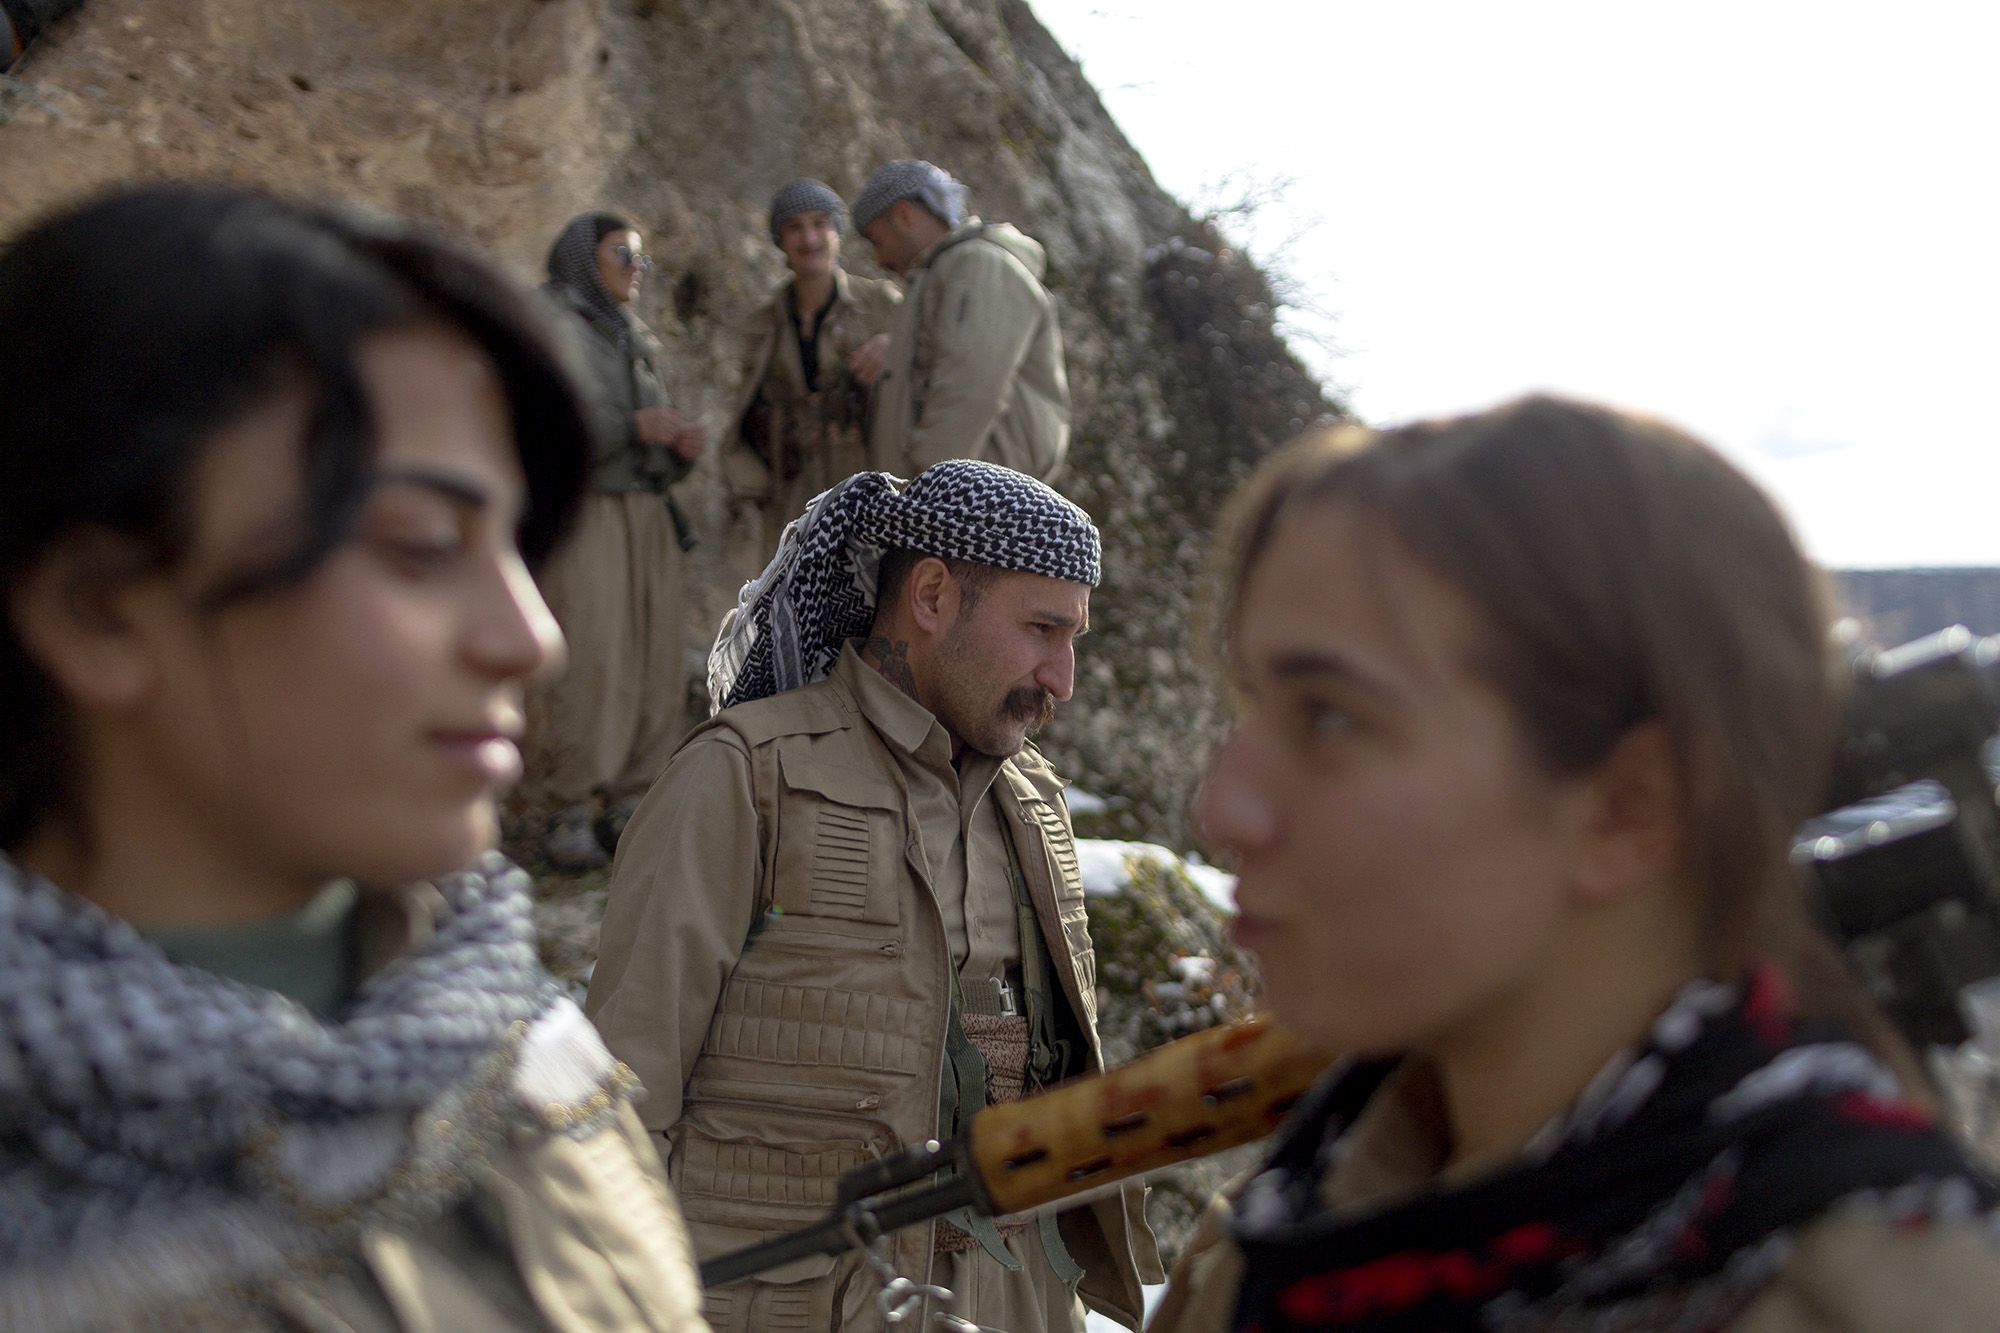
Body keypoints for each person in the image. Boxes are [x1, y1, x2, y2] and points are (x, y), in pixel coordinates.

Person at [0, 184, 708, 1331]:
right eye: (420, 545)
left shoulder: (512, 1038)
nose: (531, 637)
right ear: (98, 609)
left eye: (515, 545)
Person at [1147, 395, 2000, 1332]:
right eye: (1252, 705)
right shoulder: (1307, 1218)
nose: (1222, 806)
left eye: (1330, 717)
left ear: (1630, 805)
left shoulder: (1866, 1298)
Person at [587, 461, 1161, 1332]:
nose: (1062, 677)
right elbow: (624, 1089)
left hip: (1017, 1300)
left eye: (1073, 636)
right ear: (931, 595)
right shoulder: (747, 775)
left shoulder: (1034, 806)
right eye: (1042, 629)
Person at [524, 210, 706, 871]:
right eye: (624, 255)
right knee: (592, 657)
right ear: (584, 257)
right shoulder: (550, 324)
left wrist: (676, 449)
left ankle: (631, 803)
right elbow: (544, 425)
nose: (637, 270)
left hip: (647, 514)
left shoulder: (632, 334)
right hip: (590, 512)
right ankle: (568, 808)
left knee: (652, 661)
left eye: (641, 258)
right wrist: (632, 428)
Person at [722, 178, 902, 573]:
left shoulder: (881, 305)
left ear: (837, 232)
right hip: (792, 497)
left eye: (820, 224)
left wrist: (895, 346)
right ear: (780, 240)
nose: (809, 239)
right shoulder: (762, 325)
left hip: (869, 487)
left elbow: (930, 365)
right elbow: (740, 415)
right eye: (795, 228)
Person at [852, 160, 1070, 482]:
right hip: (958, 494)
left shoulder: (980, 264)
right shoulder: (940, 273)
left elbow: (968, 391)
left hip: (973, 498)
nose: (879, 260)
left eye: (877, 241)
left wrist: (925, 488)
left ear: (904, 215)